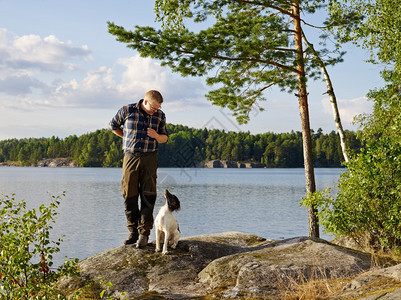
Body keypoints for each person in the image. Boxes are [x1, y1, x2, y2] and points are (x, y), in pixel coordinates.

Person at [109, 90, 168, 248]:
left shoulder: (160, 116)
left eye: (158, 108)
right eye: (154, 107)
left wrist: (156, 135)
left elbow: (164, 138)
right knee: (129, 195)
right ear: (146, 102)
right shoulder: (127, 110)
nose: (156, 110)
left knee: (148, 195)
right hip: (130, 157)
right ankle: (133, 231)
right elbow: (112, 126)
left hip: (150, 158)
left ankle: (144, 233)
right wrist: (126, 136)